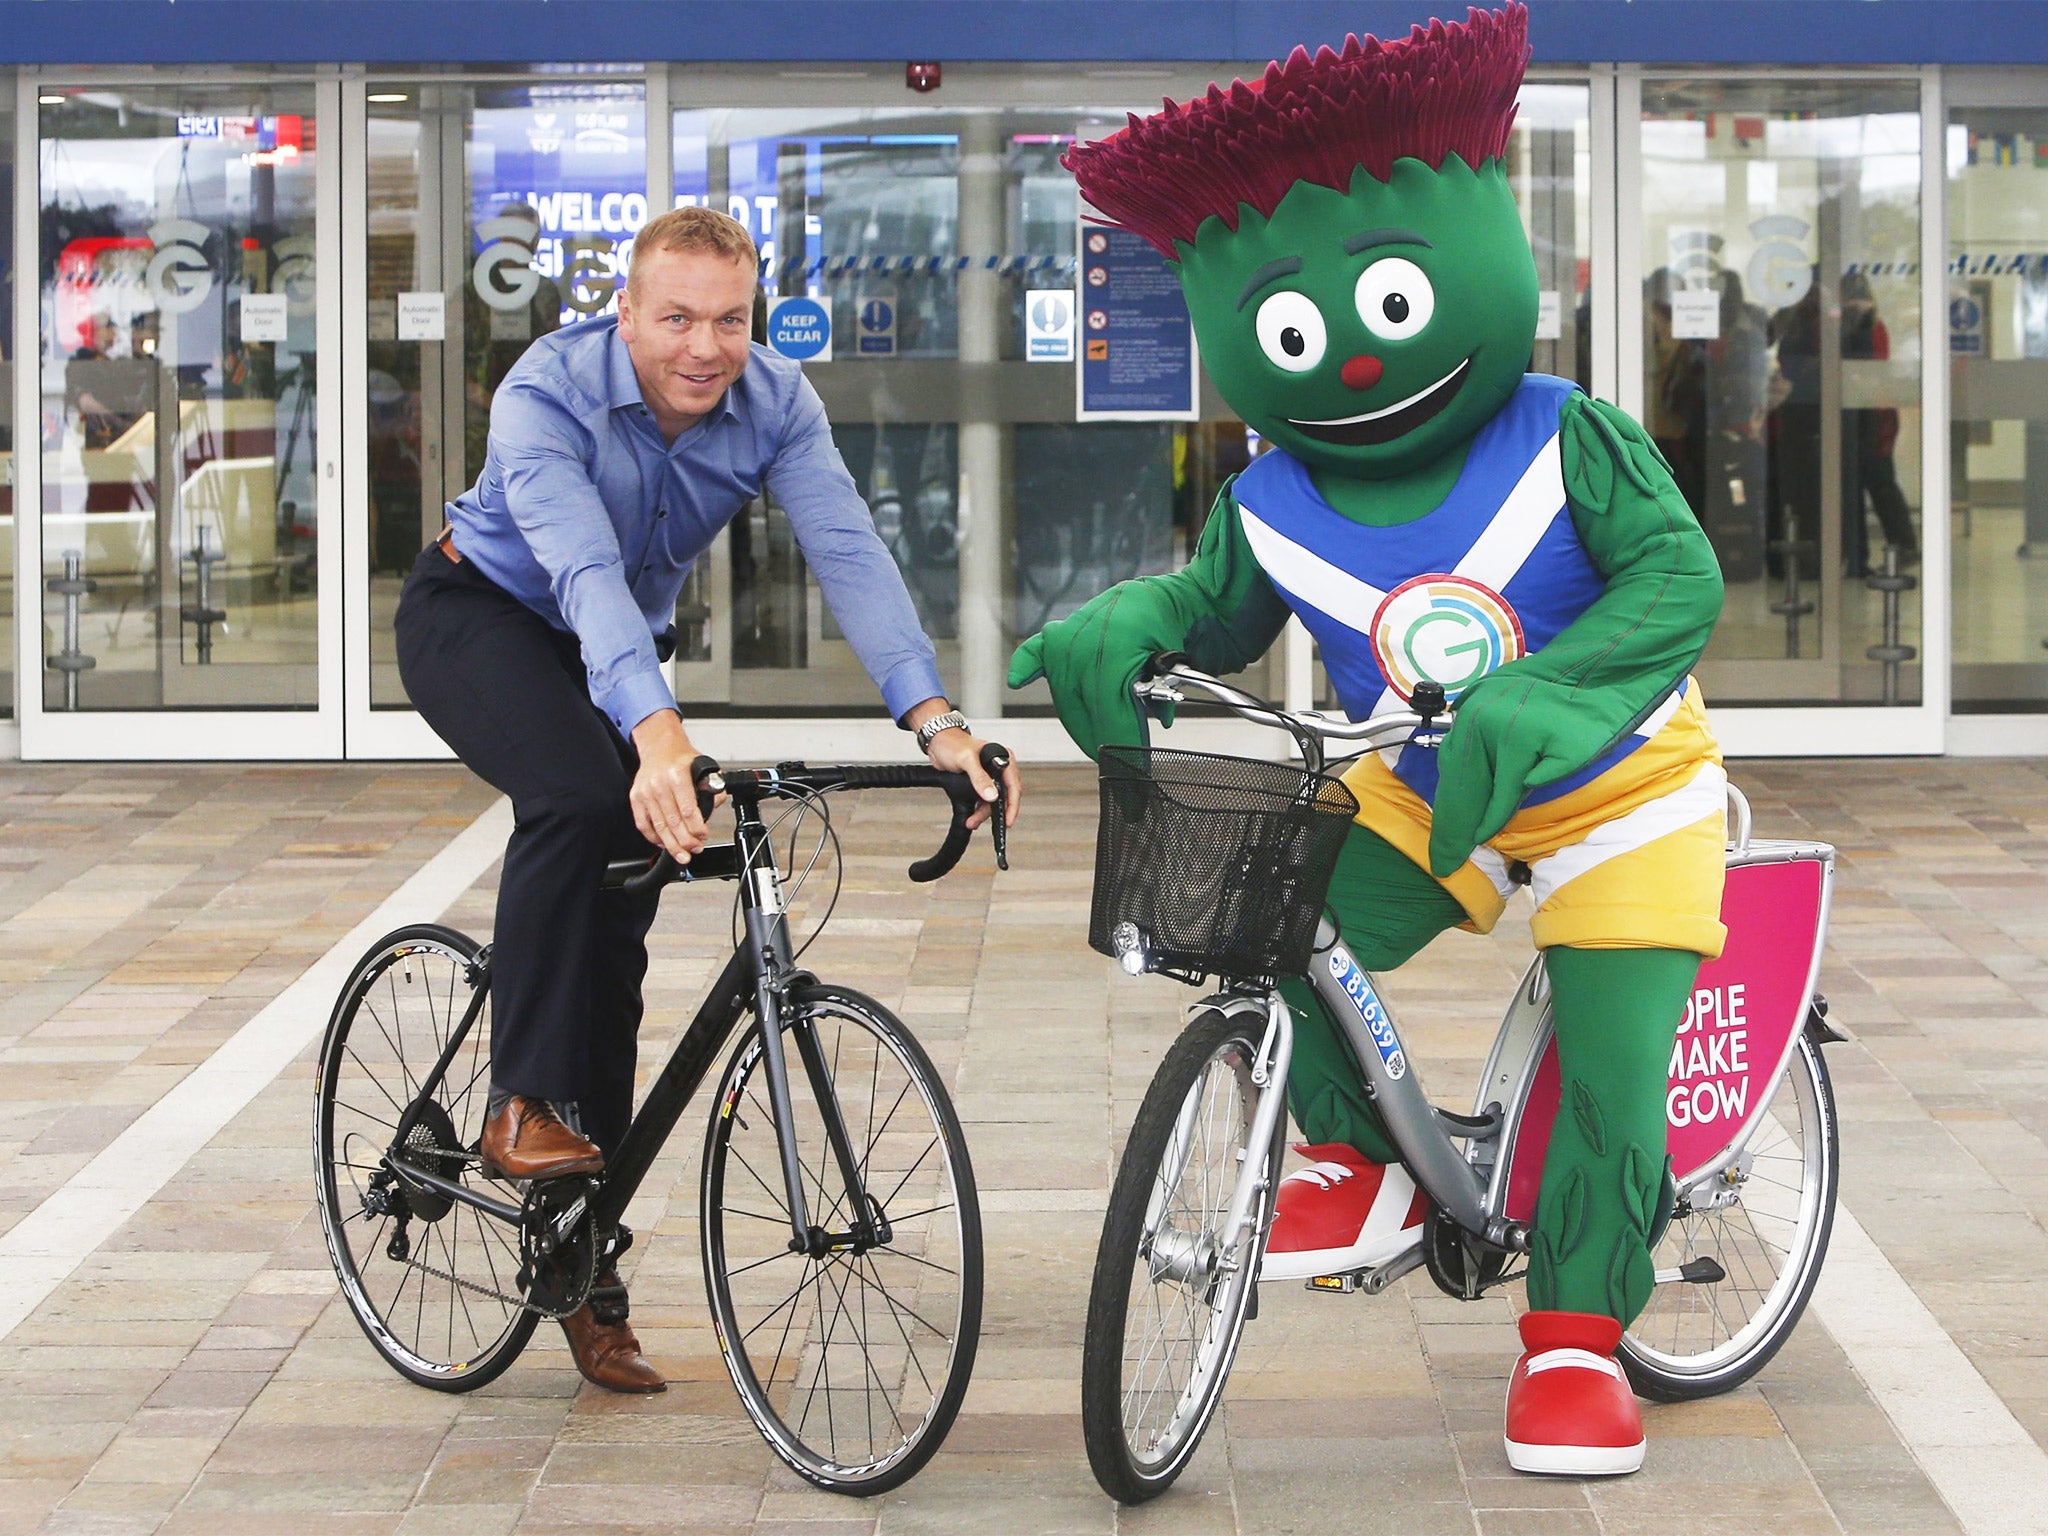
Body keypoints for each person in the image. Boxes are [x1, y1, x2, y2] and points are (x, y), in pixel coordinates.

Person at [1017, 3, 1724, 1476]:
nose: (1343, 360)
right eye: (1289, 328)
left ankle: (1580, 1340)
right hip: (1423, 792)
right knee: (1277, 923)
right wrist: (1124, 622)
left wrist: (1559, 688)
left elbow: (1677, 578)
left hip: (1623, 795)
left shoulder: (1565, 433)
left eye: (1387, 300)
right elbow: (1211, 604)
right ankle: (1352, 1158)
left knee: (1608, 1069)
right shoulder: (1272, 496)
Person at [393, 205, 1021, 1394]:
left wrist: (934, 723)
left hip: (608, 652)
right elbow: (578, 569)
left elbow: (849, 545)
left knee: (621, 920)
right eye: (674, 317)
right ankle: (517, 1098)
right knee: (583, 799)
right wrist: (658, 734)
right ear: (623, 312)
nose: (703, 346)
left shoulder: (776, 401)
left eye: (728, 320)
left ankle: (581, 1259)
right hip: (478, 617)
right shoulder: (546, 391)